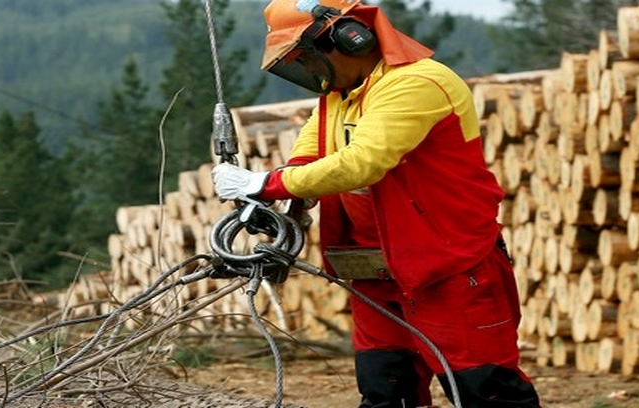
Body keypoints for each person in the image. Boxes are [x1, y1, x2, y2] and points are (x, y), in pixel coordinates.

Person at [210, 0, 542, 406]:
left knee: (486, 390)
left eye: (305, 58)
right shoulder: (340, 93)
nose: (309, 72)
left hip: (446, 264)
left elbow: (363, 162)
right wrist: (281, 187)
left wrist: (265, 183)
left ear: (351, 38)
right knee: (386, 389)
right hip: (374, 266)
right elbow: (311, 151)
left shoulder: (416, 82)